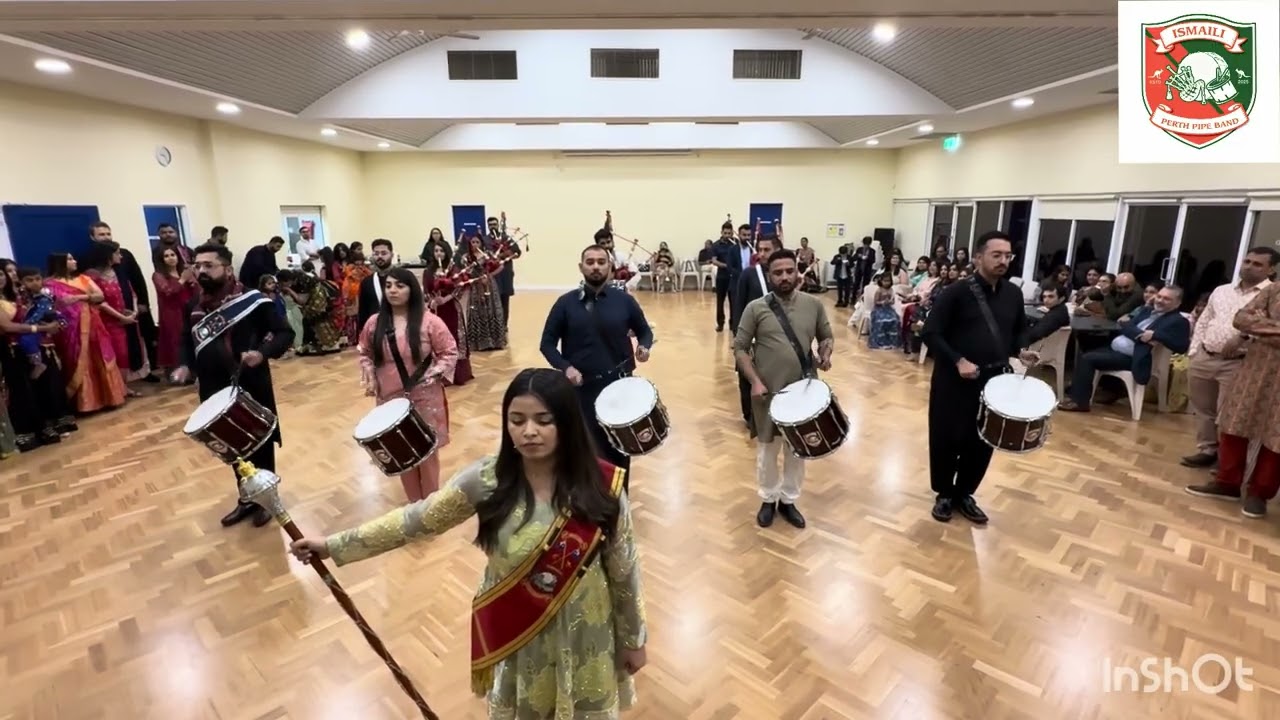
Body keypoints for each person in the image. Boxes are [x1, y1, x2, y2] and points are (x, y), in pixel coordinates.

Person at [287, 368, 648, 718]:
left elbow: (624, 570)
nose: (529, 431)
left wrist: (634, 639)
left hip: (586, 634)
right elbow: (417, 520)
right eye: (517, 420)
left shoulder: (603, 487)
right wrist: (334, 545)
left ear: (567, 423)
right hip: (519, 632)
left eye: (544, 420)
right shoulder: (487, 479)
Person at [921, 230, 1040, 525]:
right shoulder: (956, 292)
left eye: (1007, 256)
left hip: (994, 379)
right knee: (947, 436)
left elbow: (1019, 330)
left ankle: (965, 493)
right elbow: (931, 333)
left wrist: (1022, 350)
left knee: (983, 438)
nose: (1003, 261)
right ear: (977, 258)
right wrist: (958, 360)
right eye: (996, 255)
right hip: (954, 379)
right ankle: (944, 493)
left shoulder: (1013, 294)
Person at [173, 243, 295, 528]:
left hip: (251, 382)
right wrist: (184, 365)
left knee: (259, 441)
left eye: (209, 265)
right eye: (197, 265)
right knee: (232, 445)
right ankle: (247, 498)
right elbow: (186, 341)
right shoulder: (193, 306)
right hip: (214, 387)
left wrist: (262, 354)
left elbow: (284, 333)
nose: (201, 271)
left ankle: (267, 499)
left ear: (227, 269)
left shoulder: (254, 300)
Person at [734, 249, 835, 529]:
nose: (784, 277)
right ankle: (768, 498)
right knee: (767, 451)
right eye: (778, 273)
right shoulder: (756, 308)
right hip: (767, 393)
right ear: (769, 276)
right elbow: (740, 348)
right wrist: (755, 381)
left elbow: (826, 336)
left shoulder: (813, 304)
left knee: (797, 450)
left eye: (789, 271)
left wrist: (825, 354)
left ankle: (788, 500)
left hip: (803, 392)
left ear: (797, 272)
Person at [540, 244, 655, 484]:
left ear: (610, 267)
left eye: (601, 262)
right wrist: (566, 368)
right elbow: (547, 344)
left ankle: (619, 497)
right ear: (581, 267)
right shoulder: (565, 303)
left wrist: (644, 347)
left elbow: (645, 331)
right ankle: (587, 498)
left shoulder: (625, 301)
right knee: (584, 448)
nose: (595, 267)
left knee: (620, 448)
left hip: (620, 386)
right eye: (590, 262)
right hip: (582, 389)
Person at [358, 268, 459, 502]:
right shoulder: (374, 323)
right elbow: (364, 352)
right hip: (390, 398)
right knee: (402, 452)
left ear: (412, 290)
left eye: (400, 286)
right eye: (389, 286)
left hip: (424, 396)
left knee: (427, 452)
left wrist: (433, 374)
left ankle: (431, 505)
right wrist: (370, 374)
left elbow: (449, 351)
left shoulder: (430, 321)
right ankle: (414, 504)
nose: (392, 290)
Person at [1185, 281, 1280, 518]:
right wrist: (1270, 327)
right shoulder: (1274, 290)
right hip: (1256, 368)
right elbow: (1241, 319)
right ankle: (1227, 483)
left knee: (1276, 436)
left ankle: (1259, 494)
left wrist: (1264, 326)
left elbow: (1253, 323)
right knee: (1234, 422)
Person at [44, 252, 128, 414]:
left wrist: (79, 297)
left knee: (100, 357)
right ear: (59, 262)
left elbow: (100, 296)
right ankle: (86, 403)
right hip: (69, 330)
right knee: (78, 361)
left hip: (93, 324)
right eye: (70, 259)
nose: (74, 261)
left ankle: (109, 398)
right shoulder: (49, 284)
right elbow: (54, 306)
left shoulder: (83, 279)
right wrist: (84, 299)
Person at [728, 234, 781, 433]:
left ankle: (774, 414)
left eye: (767, 250)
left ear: (777, 250)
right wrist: (739, 337)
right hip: (751, 336)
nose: (762, 254)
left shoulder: (783, 276)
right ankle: (750, 416)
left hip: (775, 338)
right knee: (747, 376)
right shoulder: (749, 274)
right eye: (760, 249)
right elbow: (738, 306)